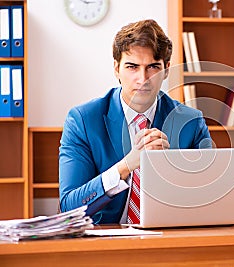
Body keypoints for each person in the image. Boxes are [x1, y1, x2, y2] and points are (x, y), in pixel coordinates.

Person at [59, 19, 212, 224]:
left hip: (170, 236)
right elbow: (69, 206)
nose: (143, 79)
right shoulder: (83, 120)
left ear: (166, 70)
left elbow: (212, 196)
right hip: (105, 241)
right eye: (132, 67)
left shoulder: (191, 122)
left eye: (153, 67)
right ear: (116, 69)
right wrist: (126, 166)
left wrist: (171, 172)